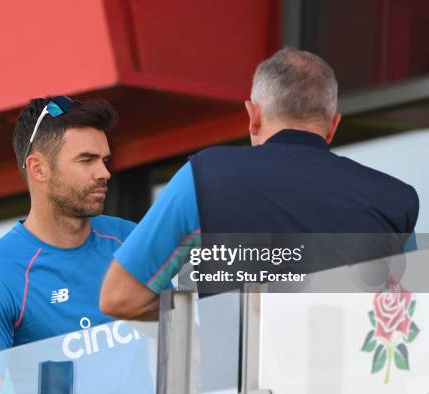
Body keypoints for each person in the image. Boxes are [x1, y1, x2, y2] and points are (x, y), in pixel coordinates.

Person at [99, 48, 420, 319]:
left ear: (253, 116)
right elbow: (407, 314)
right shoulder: (396, 200)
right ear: (333, 125)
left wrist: (213, 312)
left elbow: (119, 296)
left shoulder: (205, 177)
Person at [0, 96, 153, 393]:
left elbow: (182, 345)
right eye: (87, 160)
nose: (104, 173)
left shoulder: (130, 240)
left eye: (104, 160)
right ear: (38, 169)